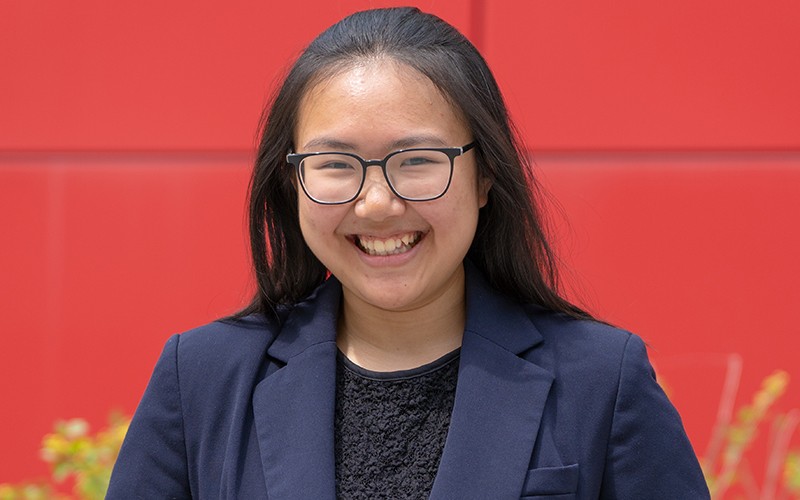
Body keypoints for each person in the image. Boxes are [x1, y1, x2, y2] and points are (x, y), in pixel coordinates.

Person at [107, 7, 709, 499]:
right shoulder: (203, 377)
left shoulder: (602, 379)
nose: (376, 204)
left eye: (417, 161)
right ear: (291, 181)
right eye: (336, 164)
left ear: (485, 176)